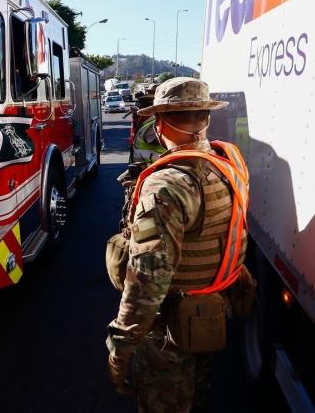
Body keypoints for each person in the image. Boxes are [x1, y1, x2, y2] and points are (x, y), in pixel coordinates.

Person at [106, 78, 251, 411]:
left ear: (159, 124)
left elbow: (148, 280)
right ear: (206, 118)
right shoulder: (229, 162)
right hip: (210, 314)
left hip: (168, 331)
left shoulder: (166, 186)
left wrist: (120, 347)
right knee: (198, 394)